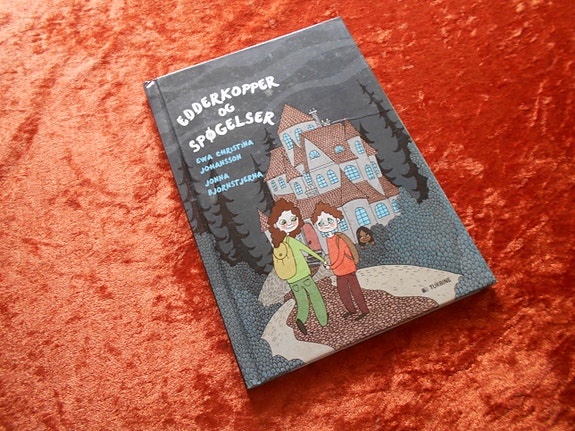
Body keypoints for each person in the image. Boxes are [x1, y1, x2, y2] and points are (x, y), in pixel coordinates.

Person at [268, 199, 328, 335]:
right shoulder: (292, 241)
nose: (290, 224)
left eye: (293, 219)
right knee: (315, 296)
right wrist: (321, 259)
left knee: (302, 301)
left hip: (291, 279)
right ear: (277, 225)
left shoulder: (279, 245)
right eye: (284, 222)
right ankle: (323, 320)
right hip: (303, 275)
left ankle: (300, 319)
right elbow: (309, 251)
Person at [312, 202, 369, 321]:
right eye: (321, 223)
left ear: (337, 220)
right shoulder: (328, 239)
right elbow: (334, 256)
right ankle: (351, 310)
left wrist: (330, 267)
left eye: (329, 220)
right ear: (317, 226)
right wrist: (333, 266)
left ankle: (364, 310)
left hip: (348, 269)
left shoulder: (339, 238)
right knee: (343, 292)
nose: (326, 224)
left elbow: (340, 256)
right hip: (339, 272)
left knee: (355, 291)